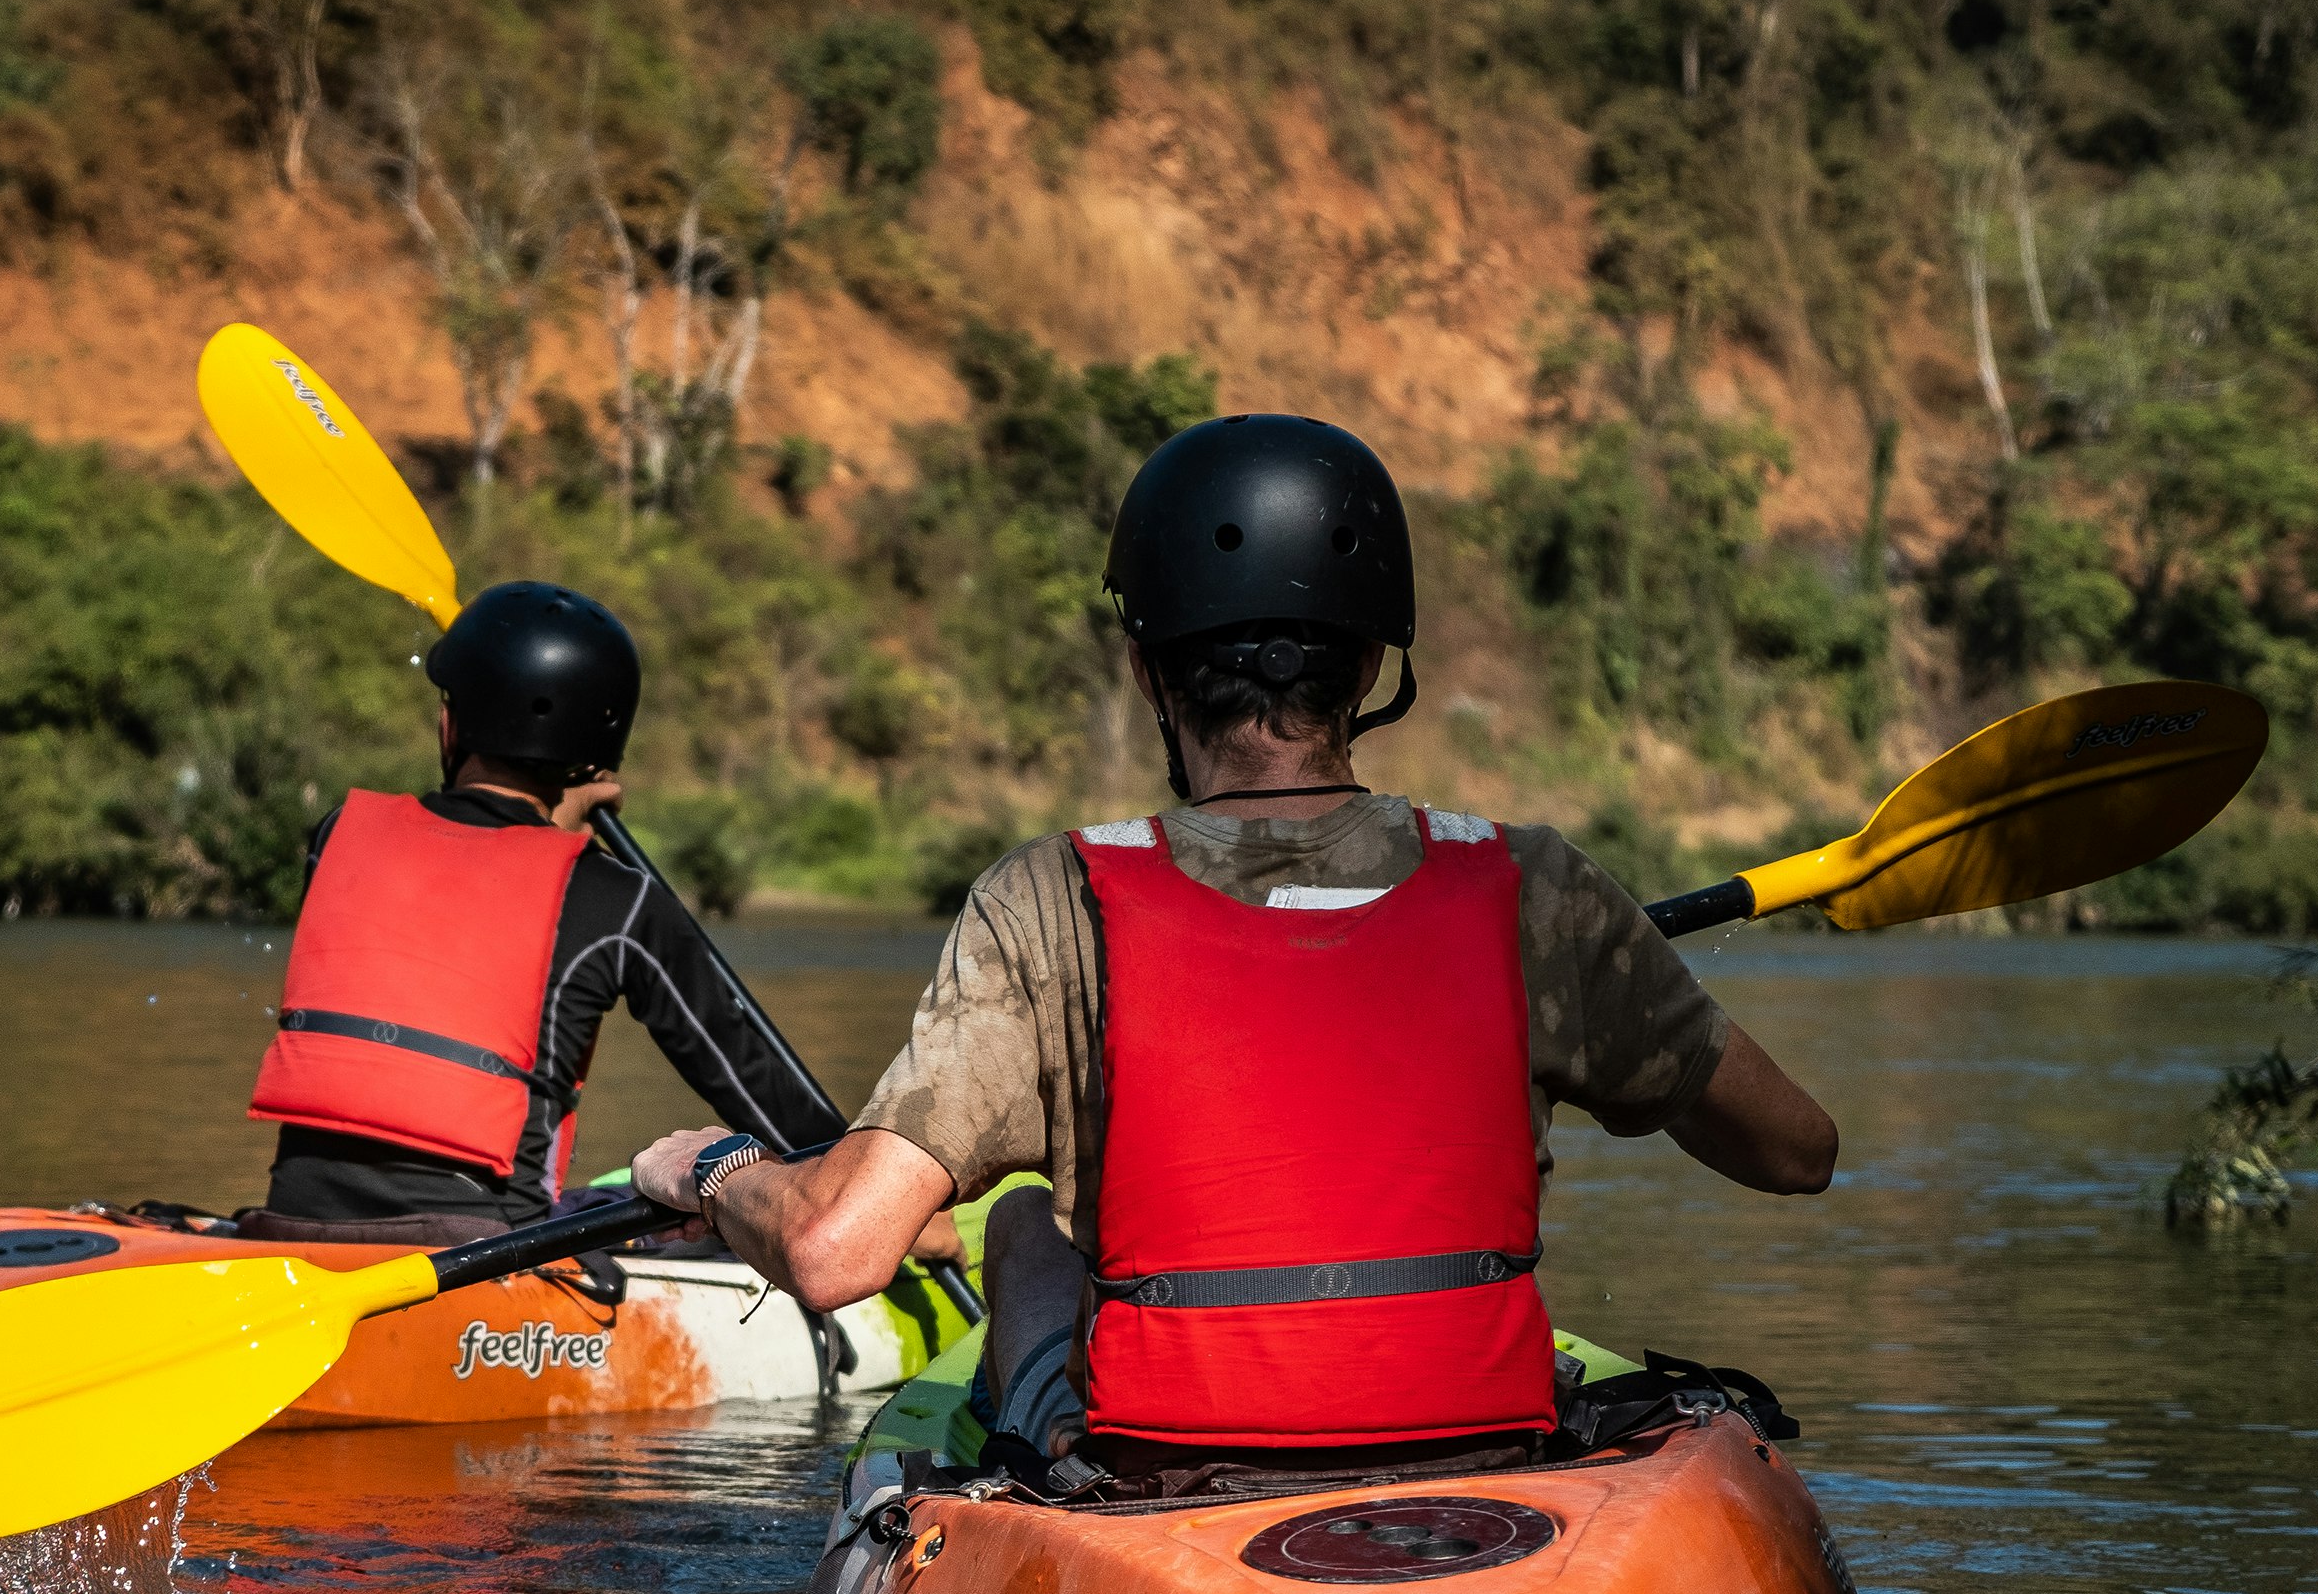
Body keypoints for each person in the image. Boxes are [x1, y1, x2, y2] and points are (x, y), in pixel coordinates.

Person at [631, 414, 1836, 1475]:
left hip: (1169, 1475)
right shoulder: (1537, 887)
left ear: (1148, 671)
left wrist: (715, 1164)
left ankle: (1059, 1453)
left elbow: (836, 1248)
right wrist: (1607, 982)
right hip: (1482, 1455)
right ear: (1372, 665)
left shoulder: (1049, 899)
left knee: (1023, 1224)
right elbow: (1796, 1151)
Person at [239, 579, 857, 1248]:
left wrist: (552, 825)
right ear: (597, 757)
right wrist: (857, 1192)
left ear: (452, 725)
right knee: (720, 1207)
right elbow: (746, 1069)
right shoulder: (616, 899)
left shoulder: (337, 836)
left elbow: (454, 899)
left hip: (290, 1225)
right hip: (482, 1251)